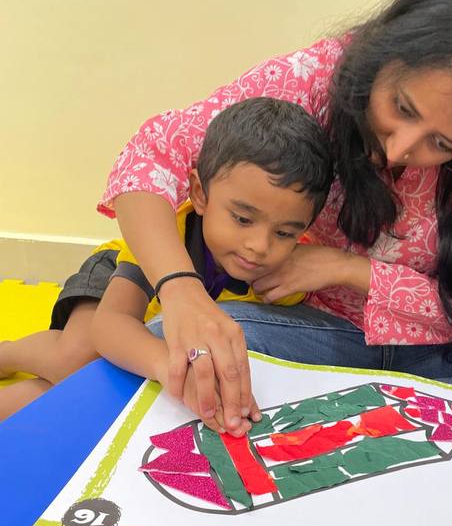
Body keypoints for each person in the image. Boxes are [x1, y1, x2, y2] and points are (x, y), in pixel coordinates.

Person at [98, 0, 452, 434]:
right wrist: (181, 290)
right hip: (321, 336)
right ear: (383, 55)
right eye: (401, 107)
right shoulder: (313, 81)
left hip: (439, 352)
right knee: (183, 342)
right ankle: (420, 414)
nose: (401, 148)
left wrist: (341, 267)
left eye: (443, 144)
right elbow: (151, 157)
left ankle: (380, 409)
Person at [0, 98, 332, 424]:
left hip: (159, 324)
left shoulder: (289, 273)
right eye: (243, 219)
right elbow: (111, 324)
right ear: (199, 194)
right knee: (76, 362)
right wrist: (165, 365)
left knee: (94, 390)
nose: (260, 246)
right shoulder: (166, 236)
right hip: (115, 275)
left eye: (285, 233)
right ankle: (8, 354)